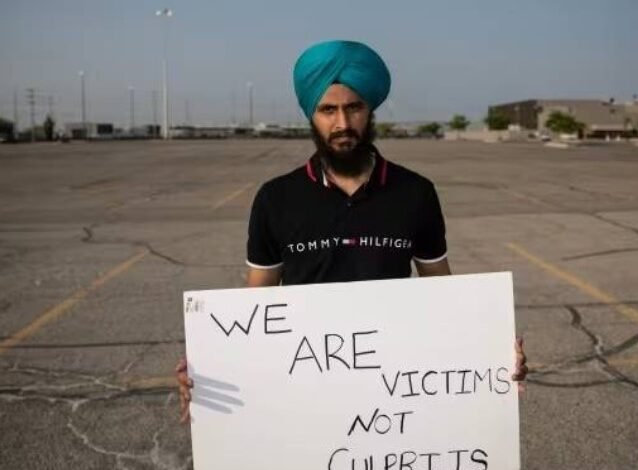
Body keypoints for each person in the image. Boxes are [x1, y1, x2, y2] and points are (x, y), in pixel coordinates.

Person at [176, 40, 527, 422]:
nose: (342, 123)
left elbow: (441, 289)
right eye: (328, 110)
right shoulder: (275, 198)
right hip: (303, 395)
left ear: (370, 110)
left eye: (354, 107)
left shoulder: (415, 192)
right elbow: (255, 303)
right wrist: (214, 370)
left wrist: (489, 357)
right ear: (311, 115)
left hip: (394, 394)